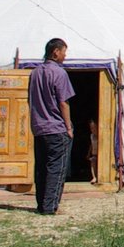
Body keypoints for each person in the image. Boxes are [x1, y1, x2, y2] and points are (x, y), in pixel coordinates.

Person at [28, 38, 74, 215]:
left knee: (41, 168)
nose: (65, 55)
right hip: (56, 127)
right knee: (56, 168)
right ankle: (50, 206)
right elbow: (63, 102)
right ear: (56, 52)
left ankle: (41, 205)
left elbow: (30, 100)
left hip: (39, 128)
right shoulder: (59, 73)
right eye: (64, 52)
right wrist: (68, 127)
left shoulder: (35, 73)